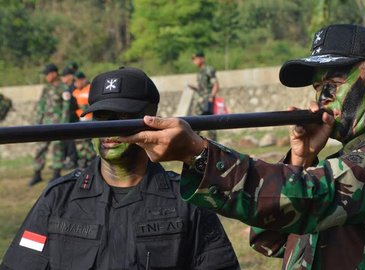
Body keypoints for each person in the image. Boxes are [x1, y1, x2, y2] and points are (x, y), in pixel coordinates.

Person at [121, 24, 365, 270]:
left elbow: (311, 199)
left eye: (331, 86)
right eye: (318, 89)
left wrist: (198, 153)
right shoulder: (348, 160)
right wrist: (300, 159)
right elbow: (270, 239)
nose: (320, 101)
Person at [1, 67, 240, 270]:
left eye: (122, 117)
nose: (109, 129)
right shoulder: (58, 198)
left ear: (151, 120)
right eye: (101, 117)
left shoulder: (187, 200)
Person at [28, 64, 70, 186]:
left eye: (47, 74)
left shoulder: (63, 88)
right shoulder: (46, 89)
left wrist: (63, 125)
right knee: (40, 148)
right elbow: (41, 106)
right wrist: (36, 123)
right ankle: (37, 173)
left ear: (54, 74)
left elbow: (66, 108)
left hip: (57, 125)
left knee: (57, 149)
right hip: (45, 125)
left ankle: (56, 174)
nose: (46, 77)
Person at [188, 50, 219, 141]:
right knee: (197, 123)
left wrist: (211, 97)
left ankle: (214, 145)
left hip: (207, 101)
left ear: (202, 58)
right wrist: (193, 87)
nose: (194, 61)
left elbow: (216, 85)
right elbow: (201, 88)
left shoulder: (208, 69)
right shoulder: (200, 72)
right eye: (193, 59)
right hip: (200, 102)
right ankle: (194, 143)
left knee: (210, 124)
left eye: (195, 58)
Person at [71, 71, 96, 168]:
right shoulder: (75, 92)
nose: (75, 83)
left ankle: (92, 158)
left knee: (87, 141)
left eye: (77, 81)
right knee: (81, 142)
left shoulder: (90, 89)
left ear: (83, 80)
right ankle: (86, 158)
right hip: (81, 120)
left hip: (91, 119)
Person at [60, 66, 79, 169]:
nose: (62, 78)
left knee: (70, 139)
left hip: (75, 117)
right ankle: (71, 158)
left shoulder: (73, 87)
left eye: (64, 76)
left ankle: (73, 159)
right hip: (72, 117)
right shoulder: (68, 87)